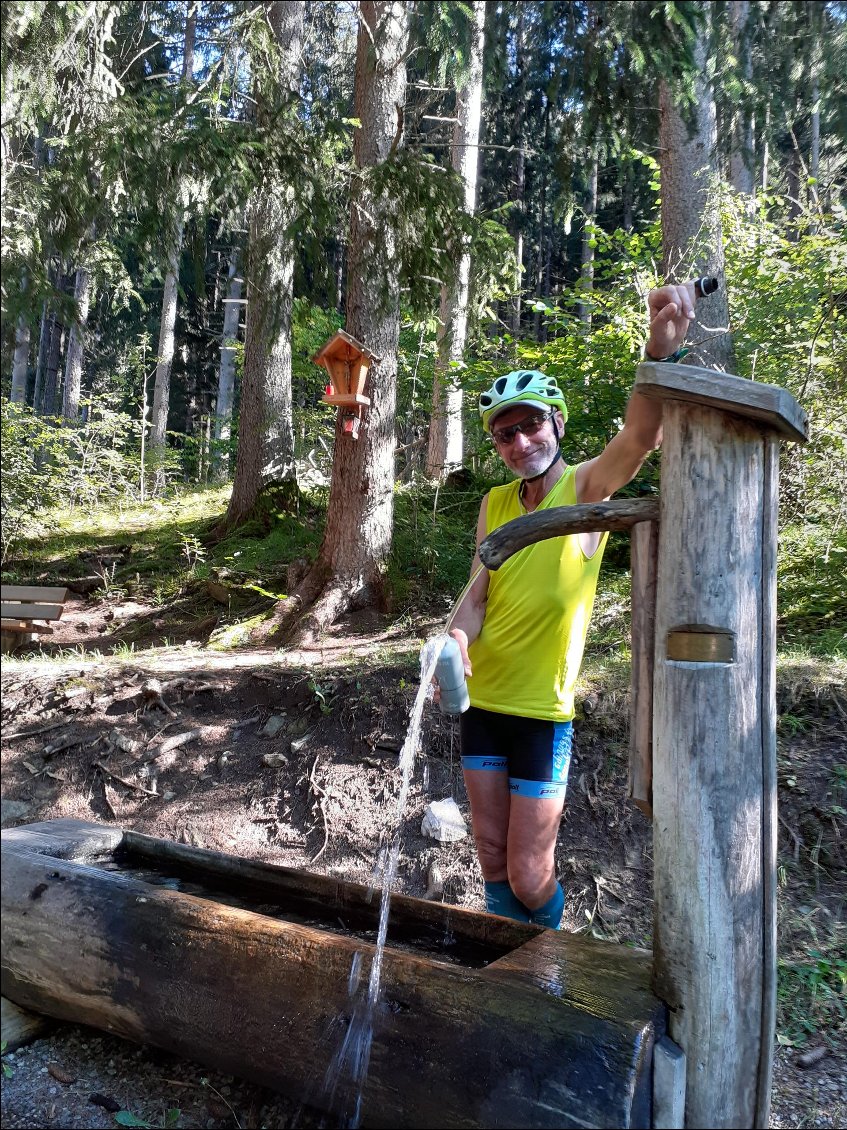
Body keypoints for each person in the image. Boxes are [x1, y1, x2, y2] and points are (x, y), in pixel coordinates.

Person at [445, 283, 697, 929]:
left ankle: (554, 964)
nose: (519, 440)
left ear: (555, 421)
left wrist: (658, 350)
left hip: (540, 712)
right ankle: (513, 974)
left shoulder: (583, 485)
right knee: (491, 856)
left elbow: (640, 434)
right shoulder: (493, 505)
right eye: (504, 433)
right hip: (482, 704)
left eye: (529, 423)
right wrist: (453, 639)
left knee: (531, 873)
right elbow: (478, 596)